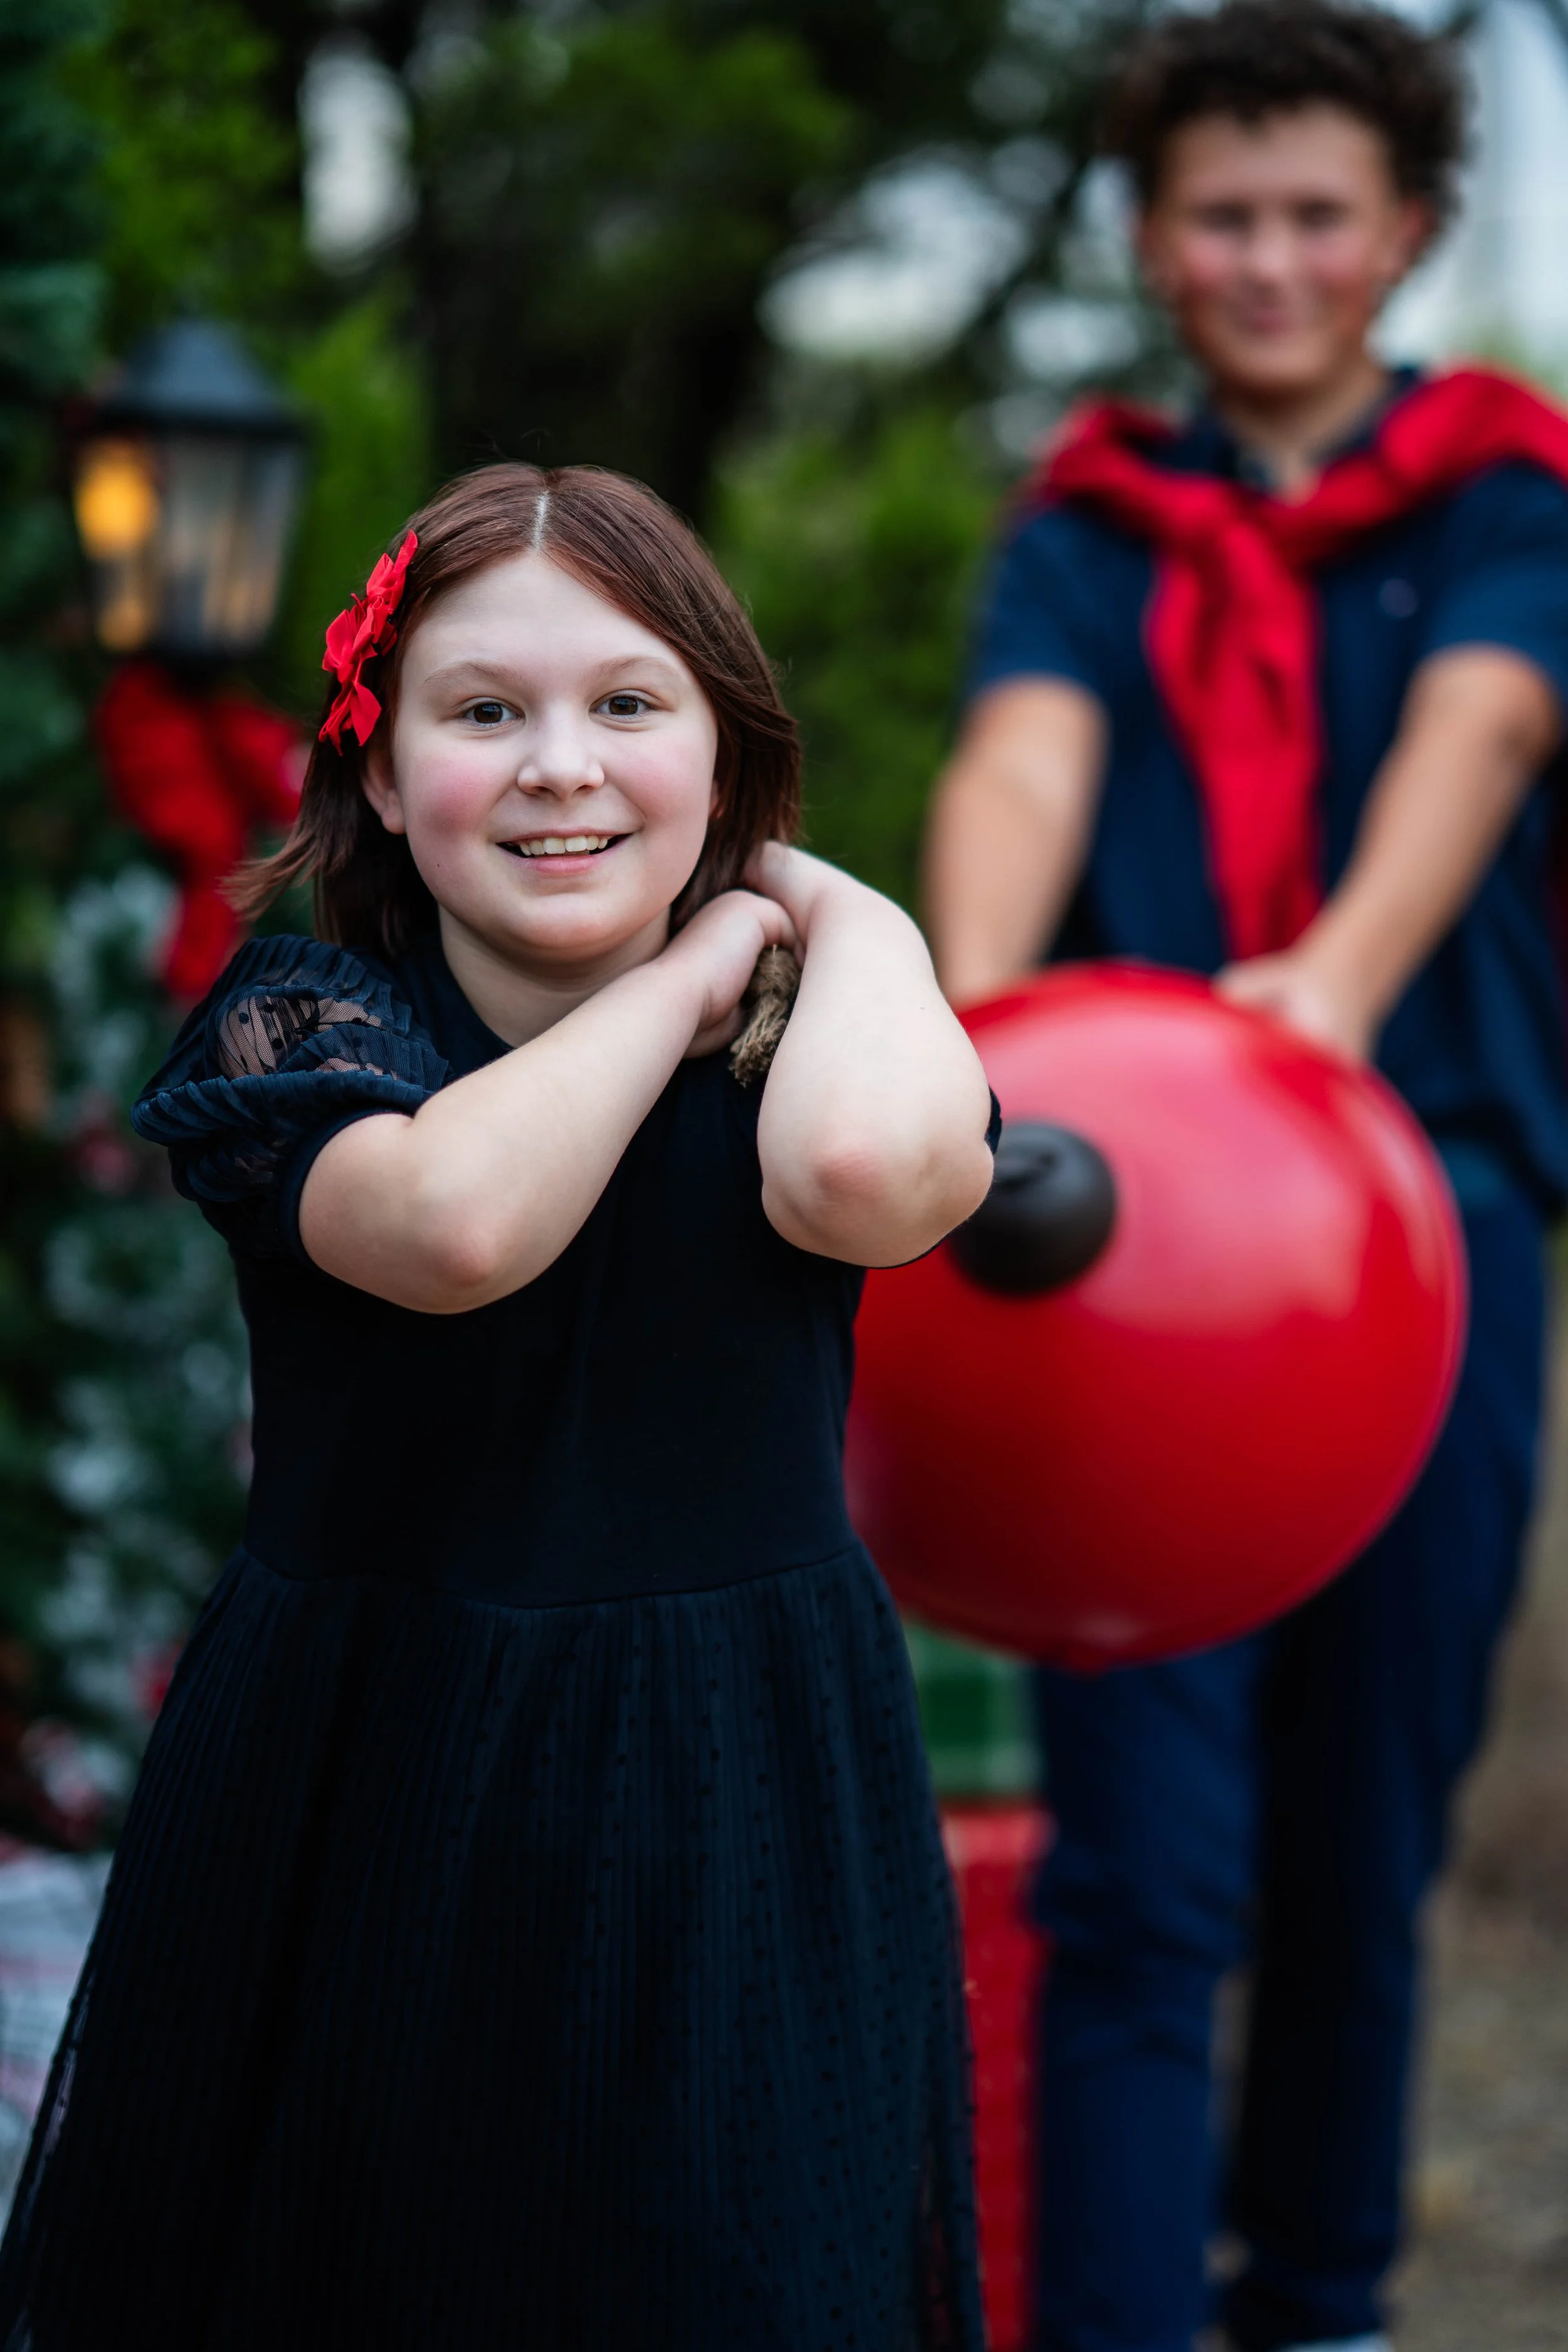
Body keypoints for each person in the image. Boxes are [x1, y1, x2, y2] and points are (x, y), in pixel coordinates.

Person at [0, 465, 996, 2350]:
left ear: (724, 755)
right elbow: (459, 1221)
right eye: (483, 711)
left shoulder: (830, 1035)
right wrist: (703, 958)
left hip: (741, 1776)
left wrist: (833, 906)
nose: (560, 764)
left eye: (630, 705)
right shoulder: (309, 1025)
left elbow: (864, 1172)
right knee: (374, 2279)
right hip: (379, 1761)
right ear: (382, 774)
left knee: (738, 2278)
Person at [924, 6, 1568, 2350]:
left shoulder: (1511, 491)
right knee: (1136, 1869)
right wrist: (969, 1034)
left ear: (1401, 234)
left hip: (1432, 1220)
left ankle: (1317, 2302)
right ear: (1146, 239)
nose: (1270, 259)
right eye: (1223, 214)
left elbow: (1486, 726)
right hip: (1119, 1250)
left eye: (1318, 213)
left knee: (1356, 1838)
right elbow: (1020, 761)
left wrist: (1336, 981)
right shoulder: (1086, 523)